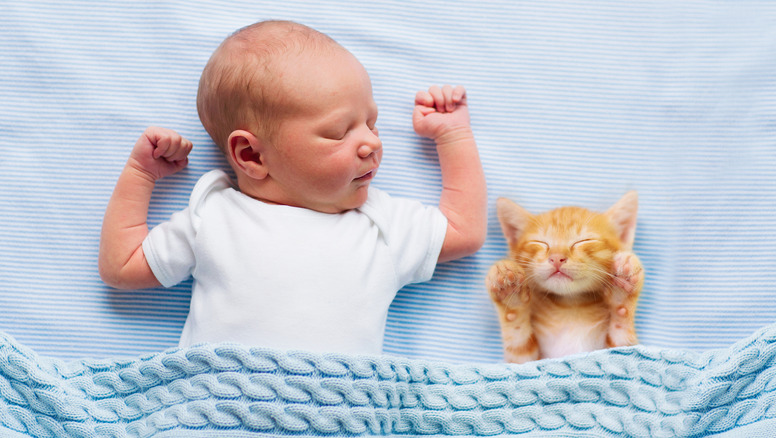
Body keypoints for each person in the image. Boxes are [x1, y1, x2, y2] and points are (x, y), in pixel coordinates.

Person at [99, 20, 486, 355]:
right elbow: (122, 267)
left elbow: (464, 231)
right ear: (251, 155)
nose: (372, 143)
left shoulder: (381, 225)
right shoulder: (216, 216)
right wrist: (141, 174)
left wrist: (453, 138)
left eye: (371, 123)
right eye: (339, 132)